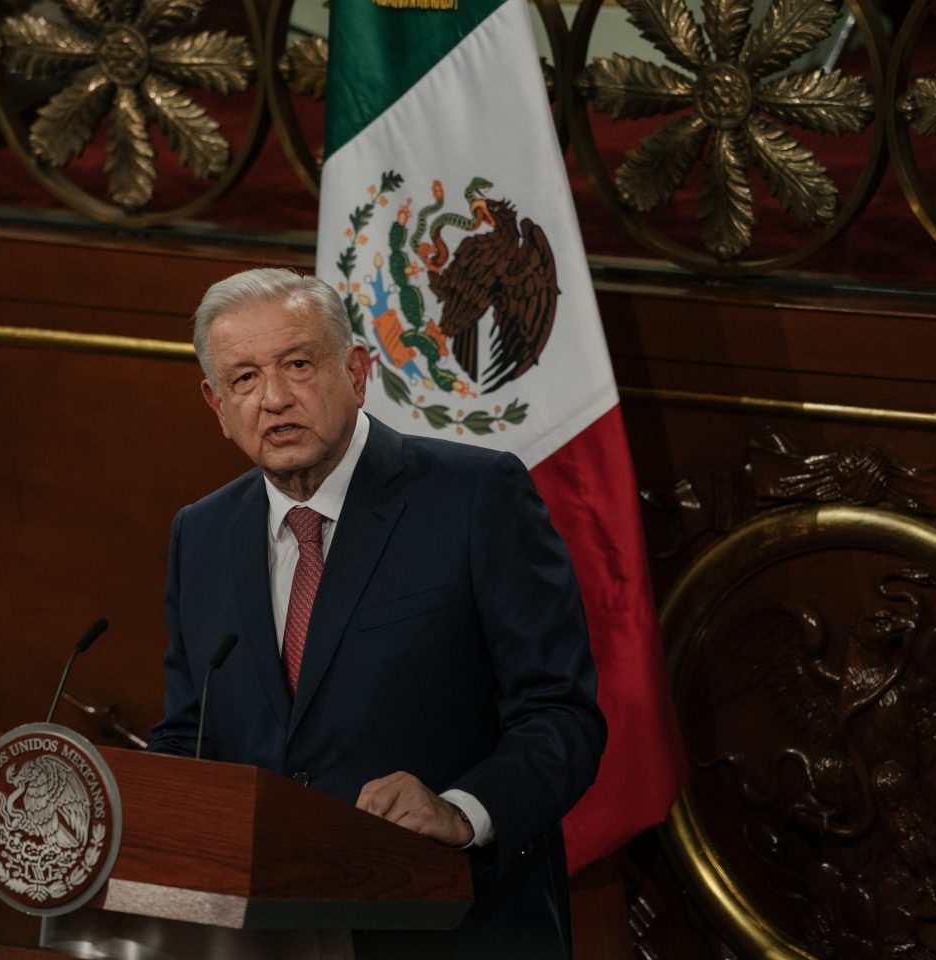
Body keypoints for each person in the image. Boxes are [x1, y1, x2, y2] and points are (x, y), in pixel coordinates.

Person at [148, 268, 605, 958]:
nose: (273, 399)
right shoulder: (201, 534)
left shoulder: (476, 497)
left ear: (357, 371)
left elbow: (562, 715)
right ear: (216, 404)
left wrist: (460, 810)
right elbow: (192, 735)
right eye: (244, 379)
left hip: (456, 929)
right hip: (267, 938)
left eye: (298, 365)